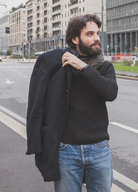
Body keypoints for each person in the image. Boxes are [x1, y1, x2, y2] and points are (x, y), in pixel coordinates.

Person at [27, 14, 118, 192]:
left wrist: (84, 68)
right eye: (90, 34)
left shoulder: (104, 67)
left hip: (99, 149)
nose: (96, 38)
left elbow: (110, 93)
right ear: (75, 39)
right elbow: (37, 106)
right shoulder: (59, 67)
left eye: (97, 33)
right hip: (66, 150)